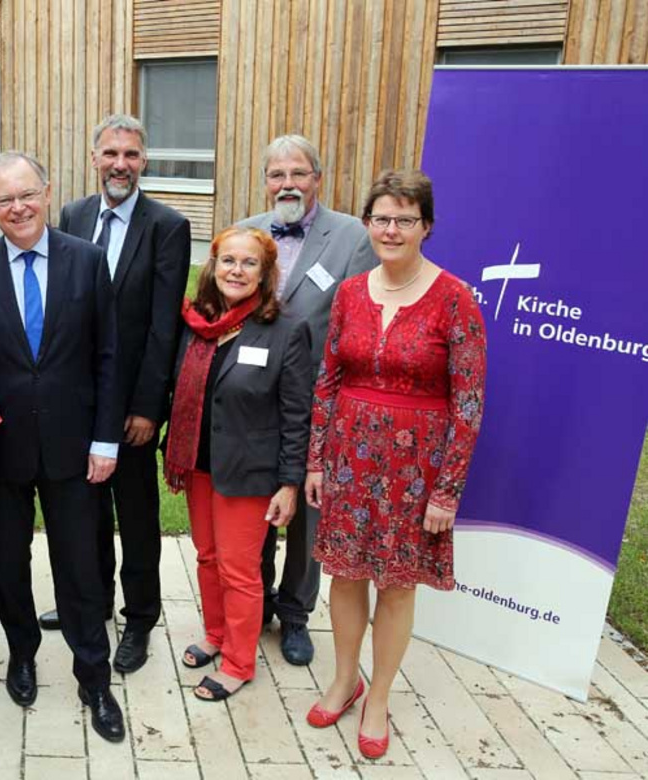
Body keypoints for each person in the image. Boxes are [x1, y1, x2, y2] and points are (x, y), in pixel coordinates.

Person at [304, 169, 486, 759]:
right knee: (346, 574)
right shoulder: (351, 292)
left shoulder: (456, 299)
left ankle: (378, 695)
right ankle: (343, 678)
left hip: (416, 467)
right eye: (381, 218)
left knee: (398, 585)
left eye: (404, 219)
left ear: (426, 227)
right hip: (350, 456)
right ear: (367, 224)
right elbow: (328, 380)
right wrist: (315, 461)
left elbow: (469, 405)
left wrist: (448, 491)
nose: (391, 229)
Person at [0, 152, 125, 743]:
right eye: (4, 200)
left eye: (26, 194)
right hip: (2, 449)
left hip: (75, 448)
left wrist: (106, 439)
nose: (18, 207)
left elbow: (108, 357)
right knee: (11, 564)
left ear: (47, 193)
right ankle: (21, 654)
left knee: (79, 566)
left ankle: (94, 677)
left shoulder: (87, 261)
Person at [37, 114, 191, 675]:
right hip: (79, 401)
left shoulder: (167, 226)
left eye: (130, 155)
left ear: (144, 161)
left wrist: (149, 406)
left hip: (130, 408)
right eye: (110, 154)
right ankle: (95, 601)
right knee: (87, 511)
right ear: (95, 158)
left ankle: (141, 617)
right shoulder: (75, 215)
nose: (119, 164)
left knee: (137, 514)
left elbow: (162, 327)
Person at [236, 134, 378, 665]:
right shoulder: (247, 231)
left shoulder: (350, 237)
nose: (287, 184)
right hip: (253, 399)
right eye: (277, 175)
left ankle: (295, 614)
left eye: (298, 173)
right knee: (254, 507)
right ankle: (256, 603)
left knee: (306, 514)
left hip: (319, 401)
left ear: (318, 178)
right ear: (266, 181)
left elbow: (357, 323)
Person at [164, 227, 312, 701]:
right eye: (228, 261)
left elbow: (297, 416)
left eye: (249, 263)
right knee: (206, 558)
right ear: (213, 266)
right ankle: (215, 634)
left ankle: (238, 662)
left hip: (249, 475)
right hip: (198, 464)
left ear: (266, 274)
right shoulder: (196, 325)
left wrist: (289, 484)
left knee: (239, 570)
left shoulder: (285, 331)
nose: (236, 271)